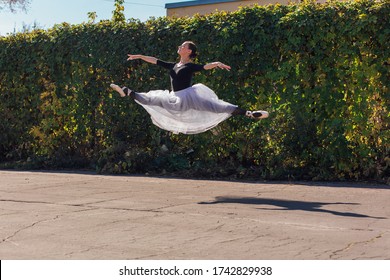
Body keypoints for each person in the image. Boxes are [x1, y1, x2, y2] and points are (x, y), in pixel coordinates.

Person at [110, 41, 269, 134]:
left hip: (189, 96)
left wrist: (217, 63)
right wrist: (139, 56)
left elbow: (205, 66)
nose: (180, 46)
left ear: (189, 51)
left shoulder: (191, 66)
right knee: (151, 99)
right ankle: (127, 91)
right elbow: (155, 60)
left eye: (183, 45)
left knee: (216, 106)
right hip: (174, 97)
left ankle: (249, 113)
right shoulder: (173, 65)